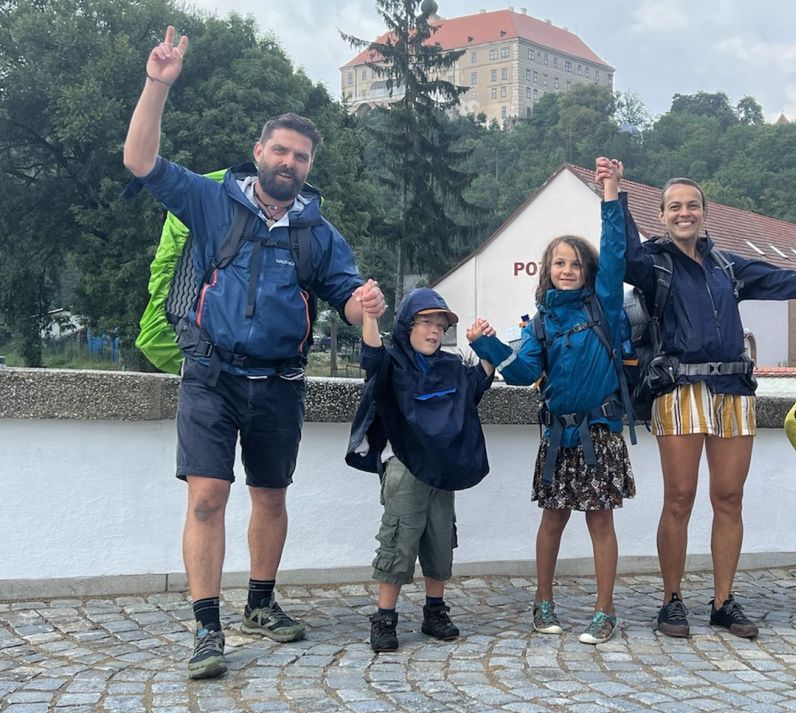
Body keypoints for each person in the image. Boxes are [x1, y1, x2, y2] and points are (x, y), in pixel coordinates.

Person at [123, 26, 385, 679]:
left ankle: (260, 604)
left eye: (301, 156)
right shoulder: (213, 201)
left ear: (308, 168)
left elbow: (345, 295)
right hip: (210, 372)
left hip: (278, 382)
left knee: (270, 495)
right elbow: (139, 161)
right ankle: (206, 628)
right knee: (208, 494)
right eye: (282, 150)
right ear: (259, 151)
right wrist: (158, 83)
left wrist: (366, 305)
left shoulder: (317, 233)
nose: (290, 163)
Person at [622, 177, 796, 638]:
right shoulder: (653, 264)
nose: (684, 213)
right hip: (679, 390)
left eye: (692, 206)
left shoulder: (727, 266)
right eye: (674, 207)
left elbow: (791, 280)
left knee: (729, 498)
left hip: (734, 389)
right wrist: (613, 195)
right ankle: (671, 601)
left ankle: (723, 602)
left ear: (704, 212)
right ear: (662, 217)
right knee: (680, 498)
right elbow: (621, 257)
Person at [468, 157, 635, 645]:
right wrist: (489, 346)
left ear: (588, 271)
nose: (567, 269)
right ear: (547, 270)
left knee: (600, 523)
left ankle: (605, 611)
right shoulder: (538, 323)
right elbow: (523, 373)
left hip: (599, 433)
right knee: (553, 521)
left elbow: (616, 252)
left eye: (575, 263)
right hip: (557, 436)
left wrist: (610, 193)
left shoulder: (602, 303)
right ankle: (543, 603)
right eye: (559, 263)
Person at [348, 286, 495, 653]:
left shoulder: (450, 366)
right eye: (426, 322)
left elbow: (476, 385)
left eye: (440, 325)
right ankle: (384, 617)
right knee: (398, 540)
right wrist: (369, 314)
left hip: (442, 471)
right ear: (406, 326)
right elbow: (371, 356)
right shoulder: (392, 363)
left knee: (440, 541)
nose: (434, 331)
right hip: (405, 468)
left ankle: (435, 612)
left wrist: (487, 350)